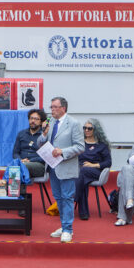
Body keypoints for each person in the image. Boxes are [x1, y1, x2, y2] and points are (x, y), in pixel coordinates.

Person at [43, 97, 85, 243]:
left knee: (67, 197)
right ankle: (63, 225)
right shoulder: (51, 122)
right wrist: (43, 134)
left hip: (66, 165)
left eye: (55, 107)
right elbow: (40, 143)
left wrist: (63, 151)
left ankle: (68, 229)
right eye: (51, 107)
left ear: (63, 108)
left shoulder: (73, 123)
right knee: (58, 197)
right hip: (52, 166)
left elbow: (80, 146)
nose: (52, 110)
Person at [73, 118, 112, 221]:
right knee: (83, 178)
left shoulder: (101, 145)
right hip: (80, 171)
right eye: (84, 128)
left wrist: (93, 165)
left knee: (83, 172)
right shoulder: (80, 143)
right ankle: (83, 213)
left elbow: (108, 162)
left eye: (89, 128)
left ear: (95, 130)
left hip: (96, 171)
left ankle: (72, 199)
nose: (86, 130)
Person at [12, 109, 47, 179]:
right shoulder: (21, 134)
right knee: (15, 166)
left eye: (36, 119)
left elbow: (46, 157)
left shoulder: (44, 136)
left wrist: (30, 161)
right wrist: (20, 160)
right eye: (31, 118)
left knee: (20, 167)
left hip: (38, 165)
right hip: (22, 163)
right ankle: (17, 189)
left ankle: (14, 189)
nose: (33, 121)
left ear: (41, 122)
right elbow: (15, 153)